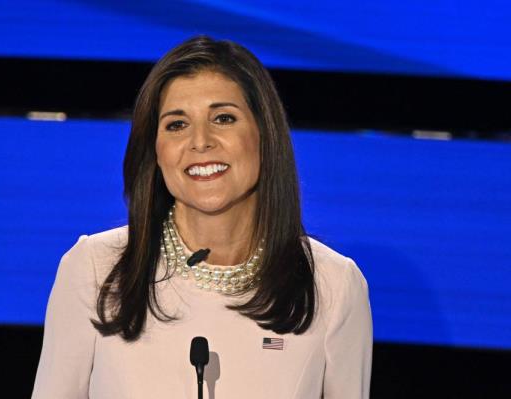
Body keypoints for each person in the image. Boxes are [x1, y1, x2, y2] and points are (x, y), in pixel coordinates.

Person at [31, 35, 372, 399]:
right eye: (177, 124)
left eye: (223, 118)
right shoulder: (97, 269)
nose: (200, 141)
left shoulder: (332, 286)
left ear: (263, 134)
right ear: (155, 150)